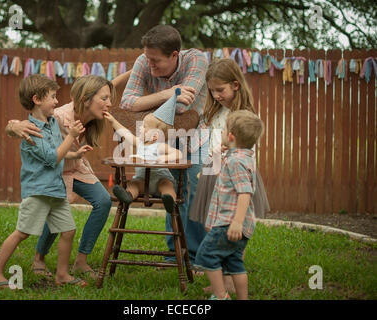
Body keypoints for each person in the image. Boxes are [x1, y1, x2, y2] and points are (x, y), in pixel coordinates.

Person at [5, 74, 125, 279]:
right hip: (55, 170)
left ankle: (81, 260)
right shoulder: (59, 116)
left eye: (109, 98)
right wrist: (13, 126)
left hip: (75, 165)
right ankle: (39, 257)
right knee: (57, 207)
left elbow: (108, 85)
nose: (109, 103)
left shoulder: (93, 116)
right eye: (104, 99)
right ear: (86, 98)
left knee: (103, 201)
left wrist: (137, 67)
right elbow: (26, 123)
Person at [0, 74, 88, 288]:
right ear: (37, 99)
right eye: (52, 96)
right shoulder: (31, 131)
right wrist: (71, 137)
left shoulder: (51, 123)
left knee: (68, 231)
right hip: (38, 191)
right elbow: (52, 159)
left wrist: (74, 154)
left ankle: (62, 275)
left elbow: (56, 153)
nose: (56, 101)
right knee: (22, 233)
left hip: (55, 190)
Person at [120, 24, 209, 265]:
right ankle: (175, 254)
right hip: (156, 138)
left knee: (189, 188)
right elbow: (127, 102)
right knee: (170, 187)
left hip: (194, 138)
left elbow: (183, 108)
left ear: (174, 55)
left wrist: (147, 104)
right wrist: (168, 93)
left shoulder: (197, 60)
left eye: (156, 60)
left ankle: (198, 256)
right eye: (148, 59)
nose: (149, 65)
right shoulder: (144, 60)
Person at [189, 58, 270, 291]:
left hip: (234, 176)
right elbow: (211, 142)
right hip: (214, 172)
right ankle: (223, 276)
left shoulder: (243, 115)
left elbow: (247, 150)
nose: (215, 95)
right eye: (212, 91)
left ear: (235, 85)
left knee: (233, 223)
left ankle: (229, 280)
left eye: (220, 90)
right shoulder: (216, 111)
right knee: (213, 224)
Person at [194, 110, 264, 300]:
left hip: (229, 223)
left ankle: (221, 296)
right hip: (237, 224)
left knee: (206, 255)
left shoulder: (235, 161)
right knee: (234, 263)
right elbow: (220, 175)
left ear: (231, 136)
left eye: (224, 129)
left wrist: (237, 223)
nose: (222, 132)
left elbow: (245, 193)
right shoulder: (243, 156)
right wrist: (217, 154)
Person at [104, 89, 183, 213]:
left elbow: (179, 153)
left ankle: (170, 200)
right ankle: (128, 196)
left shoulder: (160, 146)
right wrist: (113, 121)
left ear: (155, 136)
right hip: (142, 180)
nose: (140, 128)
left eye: (144, 127)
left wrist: (164, 158)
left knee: (167, 185)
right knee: (134, 184)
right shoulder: (139, 143)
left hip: (160, 179)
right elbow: (125, 134)